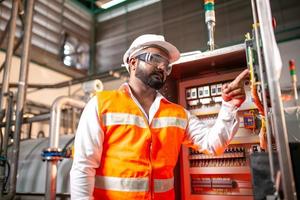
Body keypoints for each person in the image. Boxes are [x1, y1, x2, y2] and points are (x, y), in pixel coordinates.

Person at [70, 34, 249, 200]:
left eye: (167, 65)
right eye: (154, 58)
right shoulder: (101, 105)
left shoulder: (178, 114)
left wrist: (230, 106)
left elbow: (213, 145)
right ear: (133, 63)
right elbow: (83, 167)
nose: (162, 66)